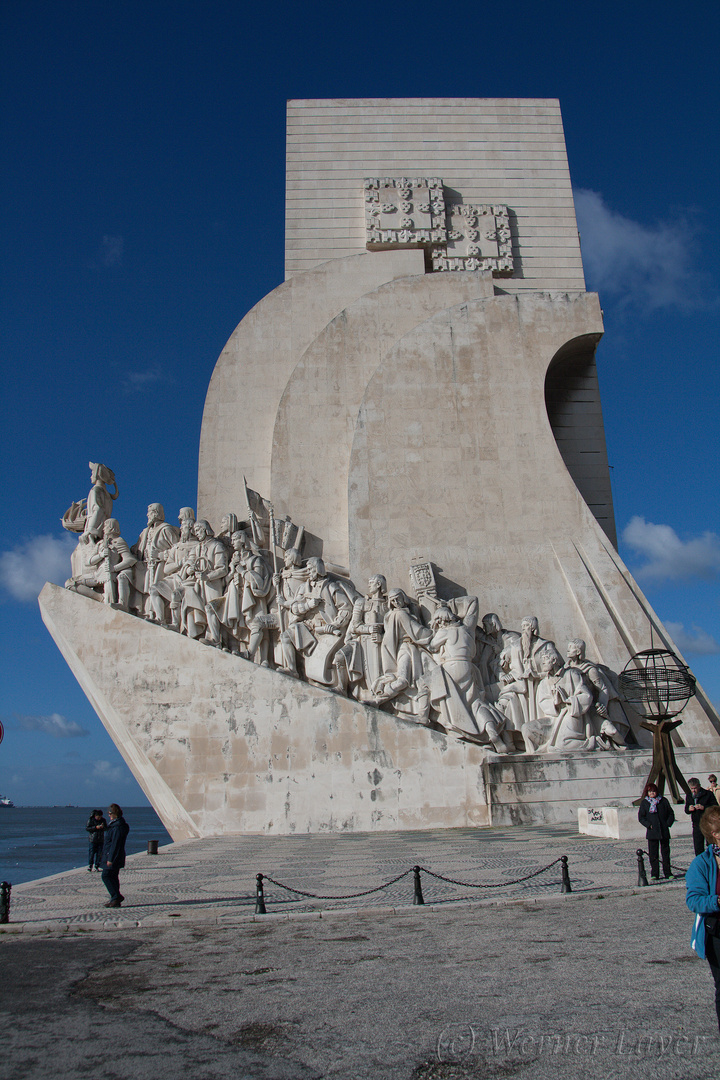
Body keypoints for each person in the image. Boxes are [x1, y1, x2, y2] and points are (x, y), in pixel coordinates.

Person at [685, 804, 720, 1031]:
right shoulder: (702, 863)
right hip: (717, 932)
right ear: (715, 834)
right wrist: (717, 901)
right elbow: (693, 900)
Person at [638, 783, 675, 880]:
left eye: (653, 791)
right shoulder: (645, 803)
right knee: (653, 854)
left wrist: (667, 824)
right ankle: (655, 873)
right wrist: (648, 825)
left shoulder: (663, 801)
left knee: (665, 853)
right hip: (652, 832)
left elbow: (671, 813)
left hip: (663, 831)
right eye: (650, 792)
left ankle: (668, 872)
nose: (652, 793)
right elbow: (641, 817)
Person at [100, 803, 130, 908]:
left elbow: (115, 844)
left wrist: (110, 859)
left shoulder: (118, 827)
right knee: (113, 876)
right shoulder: (115, 825)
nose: (108, 815)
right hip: (114, 855)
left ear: (114, 814)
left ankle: (116, 896)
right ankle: (115, 900)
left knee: (106, 876)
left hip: (113, 856)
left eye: (109, 813)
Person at [685, 777, 718, 855]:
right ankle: (701, 864)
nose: (693, 790)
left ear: (699, 786)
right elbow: (686, 809)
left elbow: (715, 807)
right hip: (696, 824)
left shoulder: (708, 794)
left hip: (708, 824)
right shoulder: (689, 795)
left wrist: (704, 807)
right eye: (692, 788)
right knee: (698, 847)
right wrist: (689, 808)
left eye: (695, 788)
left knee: (711, 846)